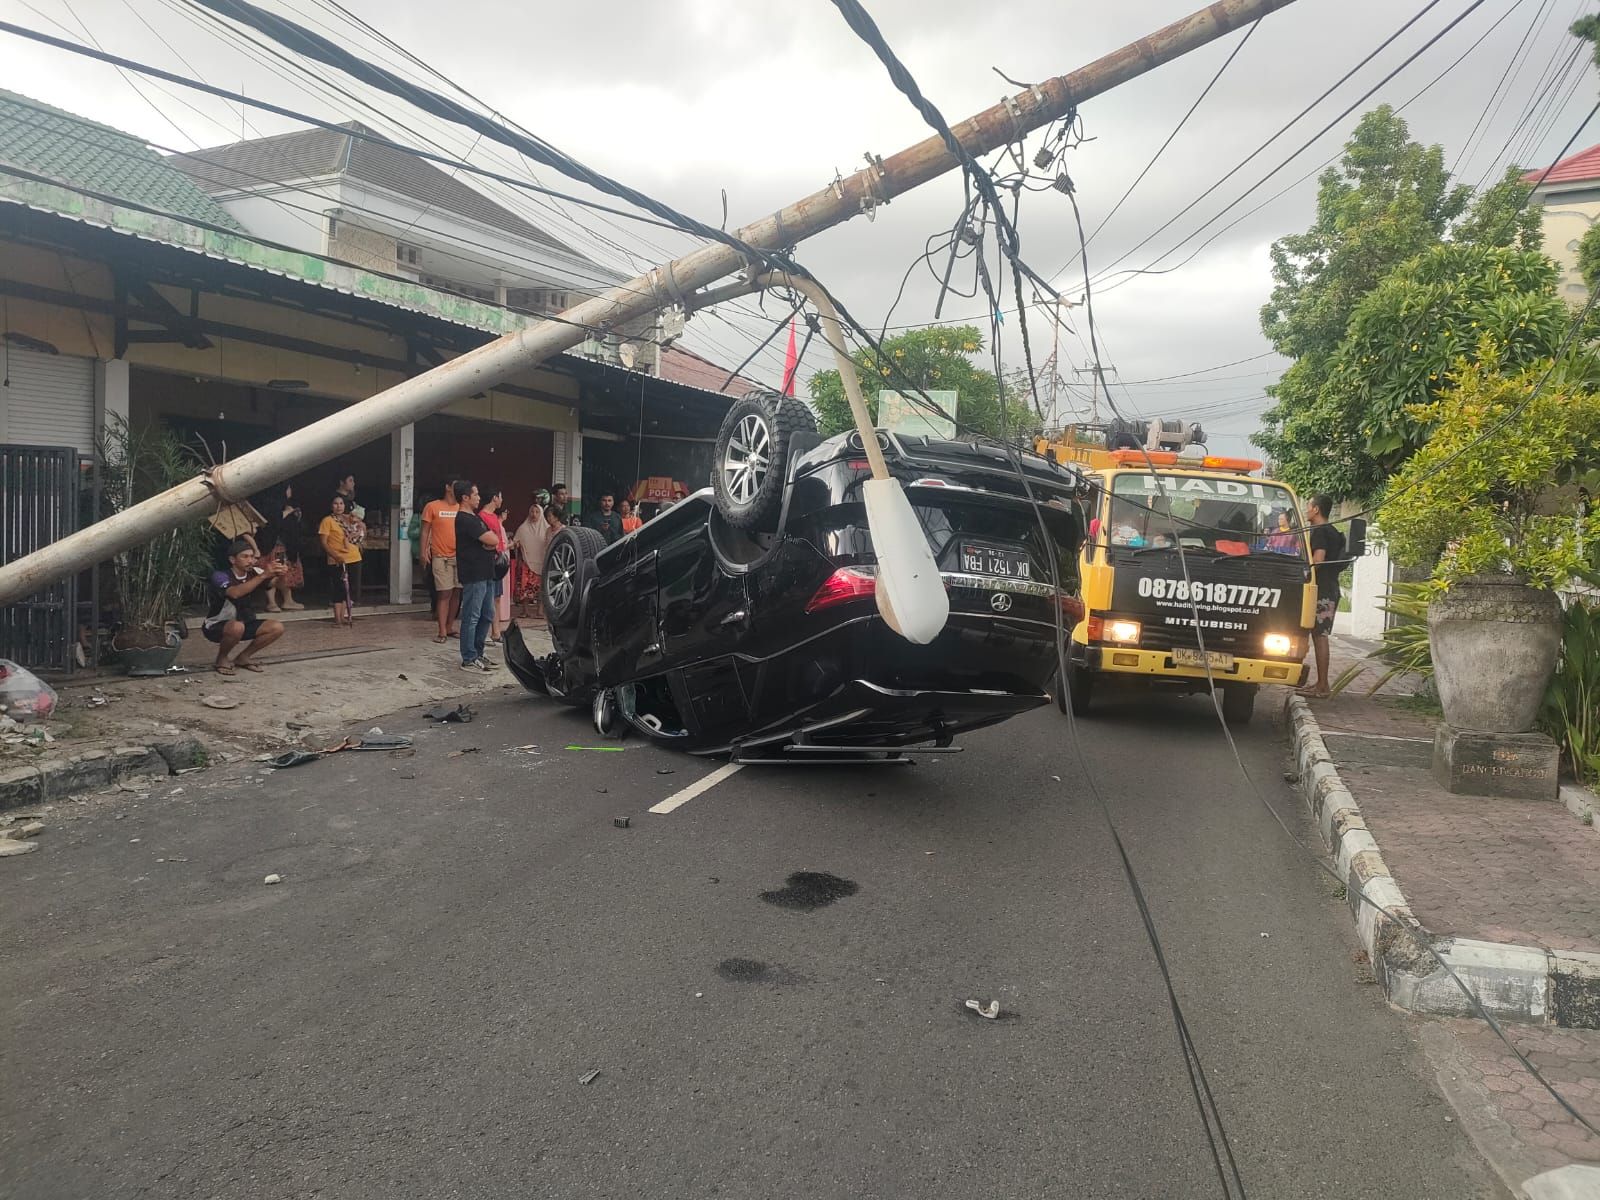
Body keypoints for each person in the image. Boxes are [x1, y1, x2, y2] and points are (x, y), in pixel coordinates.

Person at [201, 537, 286, 675]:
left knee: (276, 627)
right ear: (232, 560)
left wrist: (279, 574)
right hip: (216, 625)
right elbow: (235, 593)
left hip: (246, 621)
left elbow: (271, 585)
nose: (250, 560)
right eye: (245, 557)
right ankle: (221, 658)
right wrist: (264, 575)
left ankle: (243, 657)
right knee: (236, 627)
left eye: (252, 557)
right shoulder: (220, 576)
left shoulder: (256, 572)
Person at [451, 478, 501, 671]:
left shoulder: (475, 517)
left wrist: (489, 541)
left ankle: (479, 653)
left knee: (487, 614)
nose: (479, 498)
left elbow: (494, 539)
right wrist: (489, 541)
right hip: (474, 573)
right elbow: (491, 539)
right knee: (472, 615)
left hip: (487, 572)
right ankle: (468, 657)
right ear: (465, 497)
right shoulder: (464, 519)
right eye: (475, 494)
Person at [1301, 494, 1346, 699]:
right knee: (1318, 634)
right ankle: (1320, 683)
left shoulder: (1319, 531)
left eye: (1309, 506)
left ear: (1316, 509)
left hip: (1322, 590)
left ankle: (1322, 685)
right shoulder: (1333, 531)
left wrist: (1302, 572)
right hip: (1330, 587)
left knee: (1320, 636)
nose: (1306, 510)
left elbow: (1318, 560)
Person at [421, 480, 461, 644]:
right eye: (455, 485)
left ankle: (450, 626)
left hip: (459, 556)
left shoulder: (462, 507)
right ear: (447, 487)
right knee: (444, 592)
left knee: (457, 592)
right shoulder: (432, 506)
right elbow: (425, 531)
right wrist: (423, 552)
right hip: (440, 556)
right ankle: (442, 630)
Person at [319, 495, 363, 627]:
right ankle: (337, 618)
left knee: (349, 588)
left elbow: (361, 529)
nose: (339, 506)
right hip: (337, 559)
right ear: (331, 506)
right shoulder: (327, 521)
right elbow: (324, 543)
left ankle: (344, 616)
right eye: (335, 503)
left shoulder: (350, 519)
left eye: (341, 504)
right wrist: (335, 556)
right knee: (338, 588)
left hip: (354, 558)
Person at [479, 487, 511, 644]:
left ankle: (496, 632)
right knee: (487, 598)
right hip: (489, 561)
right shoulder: (483, 517)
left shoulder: (493, 516)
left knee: (496, 597)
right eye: (500, 497)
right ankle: (485, 633)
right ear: (494, 498)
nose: (501, 500)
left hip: (497, 560)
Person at [512, 492, 550, 620]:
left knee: (541, 589)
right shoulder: (523, 528)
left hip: (541, 562)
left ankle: (540, 611)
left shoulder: (547, 529)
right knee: (525, 587)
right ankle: (525, 611)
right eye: (532, 512)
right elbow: (516, 542)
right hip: (526, 563)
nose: (534, 514)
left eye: (537, 512)